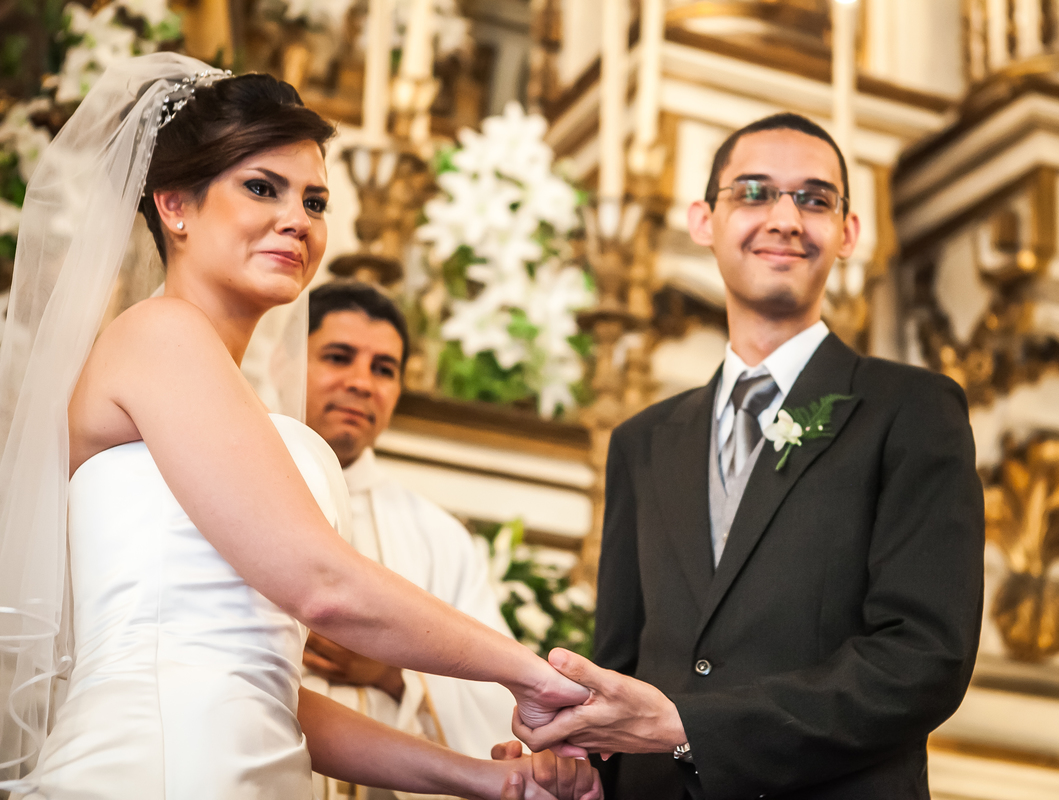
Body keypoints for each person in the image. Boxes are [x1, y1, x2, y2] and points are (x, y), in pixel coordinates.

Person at [0, 54, 600, 800]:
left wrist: (487, 781)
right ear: (174, 206)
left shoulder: (234, 398)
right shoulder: (156, 335)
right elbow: (323, 589)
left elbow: (268, 691)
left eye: (315, 200)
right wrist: (533, 675)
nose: (297, 220)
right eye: (262, 188)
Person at [517, 113, 985, 799]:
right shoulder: (641, 441)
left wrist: (691, 726)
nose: (786, 218)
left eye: (816, 199)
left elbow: (923, 657)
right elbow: (624, 660)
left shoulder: (912, 411)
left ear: (849, 233)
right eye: (755, 192)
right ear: (704, 219)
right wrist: (579, 762)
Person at [302, 281, 518, 799]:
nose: (361, 383)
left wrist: (395, 676)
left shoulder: (440, 537)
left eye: (384, 369)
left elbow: (497, 699)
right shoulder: (232, 492)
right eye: (338, 357)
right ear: (289, 358)